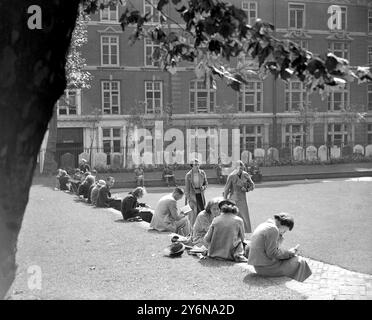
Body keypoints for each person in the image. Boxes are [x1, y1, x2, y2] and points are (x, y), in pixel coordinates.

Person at [247, 213, 312, 282]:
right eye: (285, 230)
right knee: (300, 261)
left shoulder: (265, 225)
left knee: (292, 258)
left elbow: (273, 250)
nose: (284, 232)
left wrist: (280, 237)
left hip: (260, 266)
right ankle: (302, 282)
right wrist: (290, 253)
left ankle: (298, 279)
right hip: (266, 268)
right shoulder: (273, 229)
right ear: (283, 224)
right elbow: (272, 253)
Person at [223, 160, 254, 233]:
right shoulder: (231, 176)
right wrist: (224, 200)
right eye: (238, 168)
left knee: (245, 217)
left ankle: (246, 234)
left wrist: (246, 189)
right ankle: (233, 233)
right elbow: (226, 189)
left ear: (243, 167)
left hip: (243, 199)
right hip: (233, 199)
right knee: (233, 217)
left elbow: (252, 186)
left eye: (241, 168)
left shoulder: (246, 175)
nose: (240, 170)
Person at [185, 159, 208, 228]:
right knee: (193, 214)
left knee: (202, 212)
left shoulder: (202, 173)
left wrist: (203, 187)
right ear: (192, 166)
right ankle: (192, 229)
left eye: (198, 164)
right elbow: (187, 189)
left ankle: (202, 227)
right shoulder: (188, 175)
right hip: (192, 196)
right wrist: (189, 199)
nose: (197, 166)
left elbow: (206, 183)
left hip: (200, 195)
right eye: (195, 165)